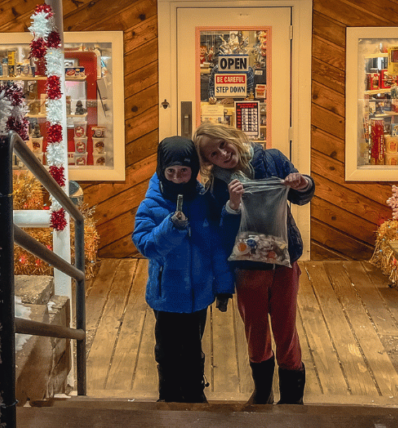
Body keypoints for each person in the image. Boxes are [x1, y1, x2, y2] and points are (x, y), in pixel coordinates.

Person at [193, 122, 315, 405]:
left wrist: (303, 182)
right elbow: (222, 235)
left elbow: (300, 196)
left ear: (232, 138)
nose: (223, 154)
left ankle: (292, 396)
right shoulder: (216, 187)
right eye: (213, 154)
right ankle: (262, 391)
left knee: (286, 327)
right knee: (255, 329)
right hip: (247, 267)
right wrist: (232, 206)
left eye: (223, 145)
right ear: (209, 162)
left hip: (284, 260)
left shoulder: (271, 159)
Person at [131, 136, 235, 403]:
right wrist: (171, 227)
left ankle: (193, 391)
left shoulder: (203, 201)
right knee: (166, 348)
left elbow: (216, 247)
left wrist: (223, 286)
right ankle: (167, 392)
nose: (177, 178)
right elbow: (145, 245)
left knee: (192, 346)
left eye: (184, 171)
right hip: (166, 295)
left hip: (198, 294)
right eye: (171, 172)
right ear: (161, 170)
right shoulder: (152, 203)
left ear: (194, 170)